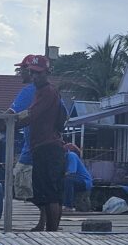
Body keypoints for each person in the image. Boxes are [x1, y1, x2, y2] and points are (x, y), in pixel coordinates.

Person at [15, 55, 67, 232]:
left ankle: (52, 232)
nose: (35, 76)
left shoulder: (48, 92)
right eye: (32, 73)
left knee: (51, 194)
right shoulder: (42, 92)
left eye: (38, 73)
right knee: (45, 192)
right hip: (42, 147)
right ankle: (49, 230)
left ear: (47, 73)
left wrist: (9, 121)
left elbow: (31, 115)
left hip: (49, 148)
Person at [8, 56, 38, 201]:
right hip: (46, 153)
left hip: (31, 155)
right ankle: (43, 223)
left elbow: (9, 116)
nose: (20, 72)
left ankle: (32, 221)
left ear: (29, 71)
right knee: (44, 196)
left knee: (25, 196)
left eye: (22, 69)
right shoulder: (51, 92)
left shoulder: (29, 91)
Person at [63, 144, 93, 212]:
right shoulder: (65, 158)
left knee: (68, 179)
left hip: (85, 181)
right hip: (77, 180)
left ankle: (69, 206)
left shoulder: (71, 155)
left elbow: (71, 172)